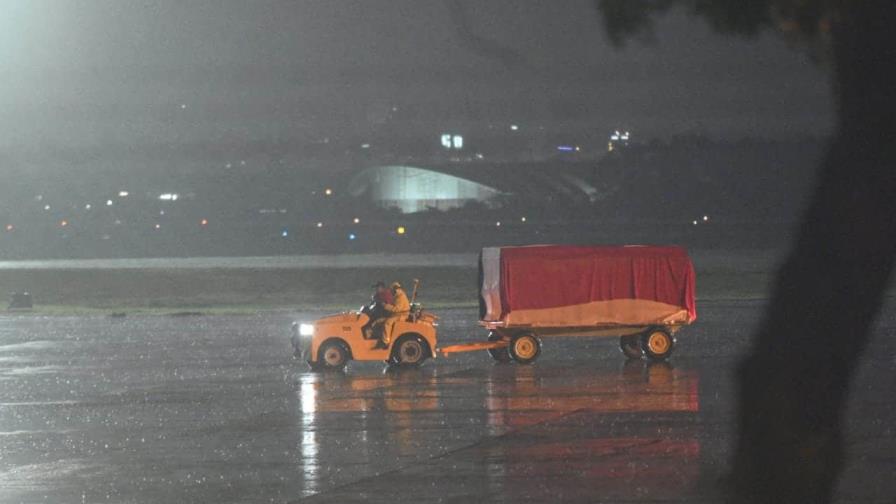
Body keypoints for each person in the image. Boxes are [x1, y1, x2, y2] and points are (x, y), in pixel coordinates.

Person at [374, 281, 410, 349]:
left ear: (395, 289)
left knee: (388, 323)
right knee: (378, 321)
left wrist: (385, 306)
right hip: (396, 314)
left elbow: (396, 309)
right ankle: (378, 338)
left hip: (401, 315)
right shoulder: (397, 296)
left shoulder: (401, 297)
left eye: (392, 290)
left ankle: (386, 342)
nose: (391, 291)